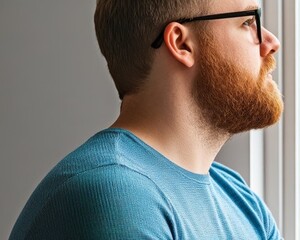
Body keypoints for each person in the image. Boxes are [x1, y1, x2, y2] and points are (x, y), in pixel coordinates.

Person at [10, 0, 283, 239]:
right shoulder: (117, 197)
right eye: (248, 22)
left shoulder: (240, 201)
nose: (272, 43)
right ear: (181, 43)